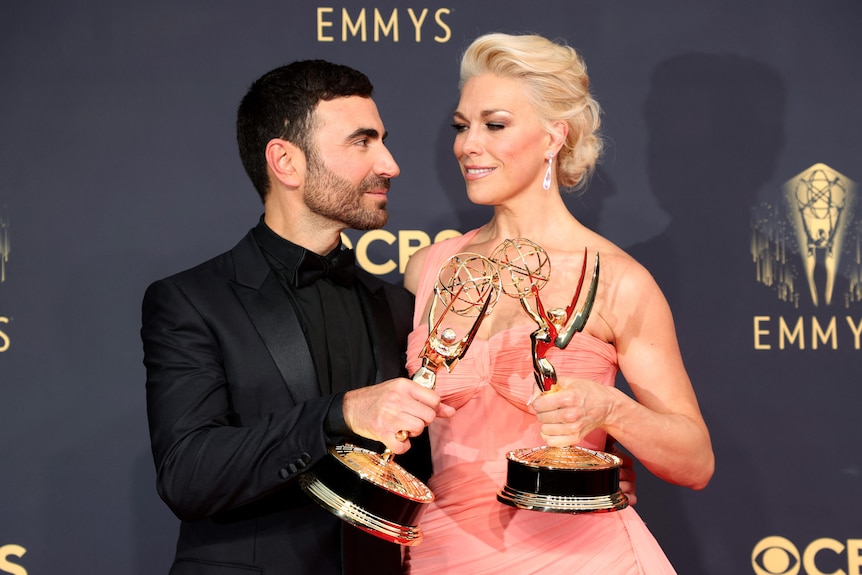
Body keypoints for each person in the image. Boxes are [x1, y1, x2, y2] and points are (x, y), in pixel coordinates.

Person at [402, 33, 715, 574]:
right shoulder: (428, 270)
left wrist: (610, 410)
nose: (467, 144)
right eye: (462, 126)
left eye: (494, 125)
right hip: (443, 553)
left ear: (554, 137)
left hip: (583, 556)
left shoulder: (618, 280)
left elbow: (694, 460)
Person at [141, 60, 453, 575]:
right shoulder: (192, 300)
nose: (391, 163)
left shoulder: (400, 308)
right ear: (285, 162)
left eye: (383, 140)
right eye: (362, 142)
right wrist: (341, 414)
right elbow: (188, 475)